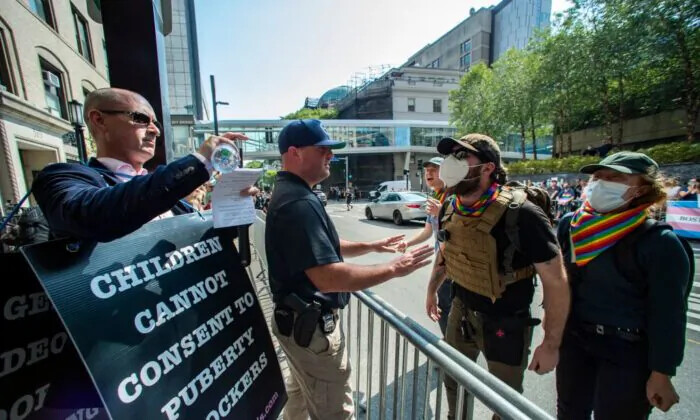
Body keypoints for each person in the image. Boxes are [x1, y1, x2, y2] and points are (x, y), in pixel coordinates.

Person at [265, 119, 433, 420]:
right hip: (310, 331)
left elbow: (320, 245)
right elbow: (328, 277)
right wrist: (393, 268)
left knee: (299, 396)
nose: (330, 155)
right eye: (322, 149)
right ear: (295, 152)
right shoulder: (298, 202)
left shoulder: (292, 193)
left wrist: (371, 246)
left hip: (298, 326)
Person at [425, 134, 570, 420]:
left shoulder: (523, 215)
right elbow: (445, 254)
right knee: (454, 382)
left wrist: (551, 344)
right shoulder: (450, 207)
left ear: (488, 167)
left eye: (462, 156)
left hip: (506, 322)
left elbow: (556, 281)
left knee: (504, 400)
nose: (451, 163)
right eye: (451, 155)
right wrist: (432, 291)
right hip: (460, 312)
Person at [556, 152, 689, 419]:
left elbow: (669, 314)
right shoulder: (571, 226)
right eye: (598, 177)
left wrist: (661, 372)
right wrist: (551, 342)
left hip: (627, 352)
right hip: (576, 342)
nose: (602, 183)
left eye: (615, 177)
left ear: (642, 188)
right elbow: (561, 288)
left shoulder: (660, 242)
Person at [32, 88, 256, 242]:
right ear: (99, 120)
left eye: (155, 123)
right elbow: (93, 217)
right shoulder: (61, 177)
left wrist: (233, 206)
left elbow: (207, 242)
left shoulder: (166, 194)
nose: (154, 130)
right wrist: (199, 161)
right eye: (140, 119)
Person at [397, 156, 454, 335]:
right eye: (426, 171)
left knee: (448, 309)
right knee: (445, 307)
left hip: (453, 266)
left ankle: (453, 352)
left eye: (434, 170)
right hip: (442, 262)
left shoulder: (453, 197)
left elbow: (460, 231)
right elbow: (428, 232)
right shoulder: (436, 196)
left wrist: (442, 212)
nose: (428, 173)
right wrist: (408, 242)